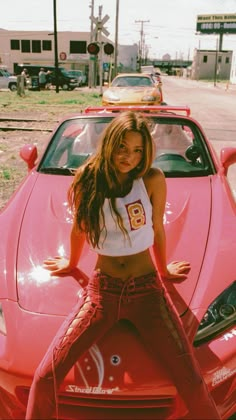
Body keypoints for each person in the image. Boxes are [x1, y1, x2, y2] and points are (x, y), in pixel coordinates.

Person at [25, 111, 220, 420]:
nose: (129, 156)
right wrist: (71, 262)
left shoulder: (152, 179)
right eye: (122, 147)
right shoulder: (89, 177)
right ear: (110, 144)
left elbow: (156, 228)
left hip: (147, 291)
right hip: (103, 292)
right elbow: (79, 227)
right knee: (45, 375)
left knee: (191, 380)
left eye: (138, 150)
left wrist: (164, 269)